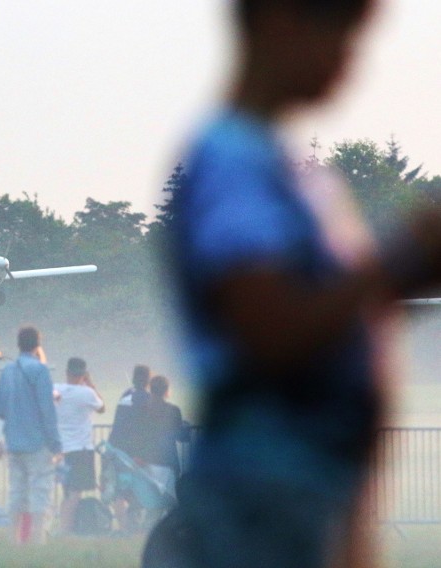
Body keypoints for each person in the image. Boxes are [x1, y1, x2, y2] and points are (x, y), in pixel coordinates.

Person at [143, 1, 441, 567]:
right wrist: (396, 261)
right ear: (282, 22)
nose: (350, 61)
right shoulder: (232, 162)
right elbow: (270, 330)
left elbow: (327, 317)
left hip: (310, 496)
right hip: (261, 498)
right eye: (343, 36)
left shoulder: (287, 171)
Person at [0, 326, 62, 544]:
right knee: (40, 491)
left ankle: (14, 540)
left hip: (13, 443)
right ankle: (37, 539)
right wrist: (56, 443)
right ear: (37, 345)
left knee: (17, 493)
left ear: (18, 344)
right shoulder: (40, 371)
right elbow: (47, 409)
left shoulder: (7, 371)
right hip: (37, 443)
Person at [54, 357, 105, 534]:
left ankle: (64, 527)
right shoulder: (86, 393)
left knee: (67, 492)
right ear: (83, 374)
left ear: (67, 372)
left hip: (60, 450)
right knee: (75, 493)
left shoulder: (56, 389)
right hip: (81, 449)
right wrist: (90, 383)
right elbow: (101, 407)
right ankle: (66, 530)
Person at [107, 365, 152, 531]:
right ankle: (132, 527)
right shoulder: (147, 398)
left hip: (115, 447)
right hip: (133, 452)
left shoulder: (126, 394)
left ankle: (123, 528)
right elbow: (146, 428)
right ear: (148, 380)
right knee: (135, 488)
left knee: (120, 490)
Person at [143, 375, 189, 523]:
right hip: (167, 461)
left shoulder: (145, 409)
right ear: (166, 391)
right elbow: (181, 436)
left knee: (154, 499)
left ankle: (147, 527)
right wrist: (185, 427)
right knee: (170, 500)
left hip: (147, 461)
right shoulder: (173, 410)